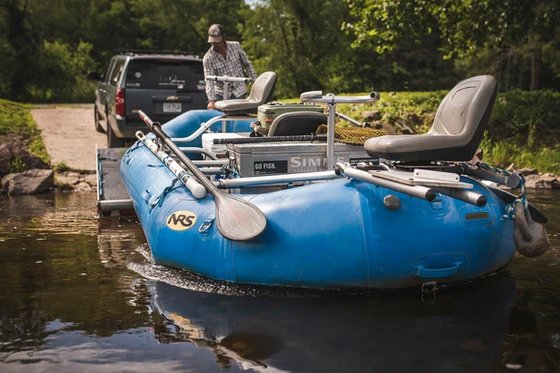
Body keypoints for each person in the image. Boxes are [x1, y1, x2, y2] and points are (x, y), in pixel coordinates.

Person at [203, 24, 257, 110]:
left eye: (217, 42)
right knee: (220, 118)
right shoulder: (208, 58)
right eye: (212, 42)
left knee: (239, 117)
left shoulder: (236, 46)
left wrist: (255, 82)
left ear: (223, 38)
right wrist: (211, 100)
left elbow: (247, 64)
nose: (215, 44)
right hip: (220, 93)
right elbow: (209, 80)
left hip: (238, 90)